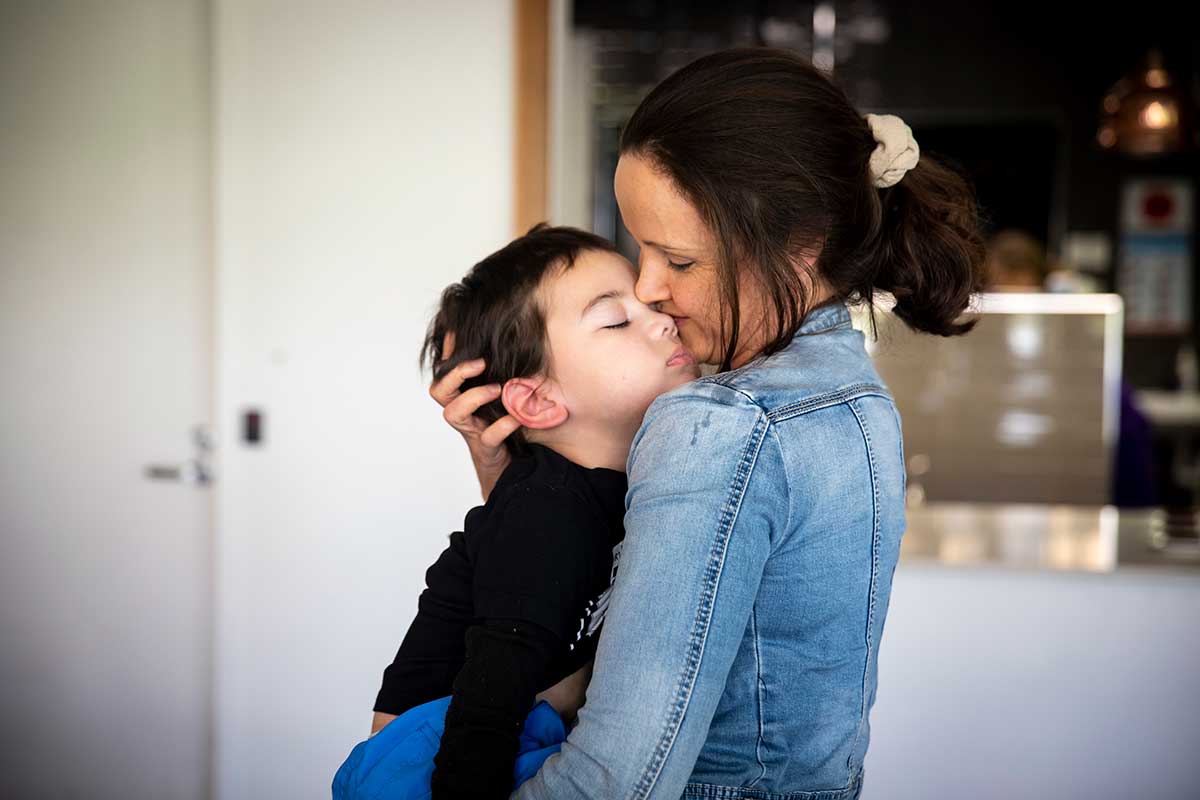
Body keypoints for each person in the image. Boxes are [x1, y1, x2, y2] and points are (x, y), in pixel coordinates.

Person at [426, 49, 987, 799]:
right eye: (640, 251)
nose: (650, 289)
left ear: (801, 246)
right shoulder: (855, 394)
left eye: (678, 261)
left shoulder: (722, 422)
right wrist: (516, 478)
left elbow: (618, 777)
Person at [334, 224, 700, 799]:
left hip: (502, 727)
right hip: (433, 754)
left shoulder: (610, 483)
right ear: (537, 400)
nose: (661, 318)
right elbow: (489, 694)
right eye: (616, 320)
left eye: (647, 302)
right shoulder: (547, 513)